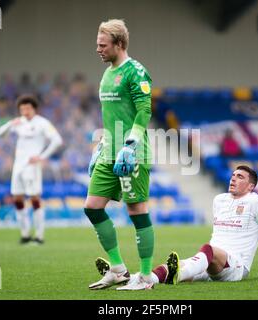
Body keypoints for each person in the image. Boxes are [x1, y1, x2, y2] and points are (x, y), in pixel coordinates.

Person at [95, 165, 258, 285]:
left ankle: (178, 273)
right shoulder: (219, 199)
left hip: (236, 266)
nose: (233, 178)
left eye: (240, 177)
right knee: (177, 266)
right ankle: (136, 280)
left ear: (251, 185)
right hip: (211, 262)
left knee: (207, 251)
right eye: (232, 175)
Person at [85, 19, 154, 291]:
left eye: (103, 45)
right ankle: (118, 270)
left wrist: (131, 143)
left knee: (136, 210)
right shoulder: (107, 73)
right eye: (97, 45)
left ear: (119, 44)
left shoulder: (136, 72)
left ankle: (146, 277)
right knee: (92, 207)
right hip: (109, 152)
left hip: (131, 153)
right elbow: (112, 115)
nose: (98, 50)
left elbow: (143, 110)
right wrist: (102, 143)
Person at [0, 95, 63, 245]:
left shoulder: (42, 123)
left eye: (27, 108)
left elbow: (57, 140)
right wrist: (9, 124)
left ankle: (39, 236)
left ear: (34, 108)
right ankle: (25, 234)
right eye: (22, 109)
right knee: (17, 199)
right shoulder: (18, 123)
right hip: (18, 166)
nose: (25, 111)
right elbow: (0, 134)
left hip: (32, 166)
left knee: (34, 198)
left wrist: (42, 156)